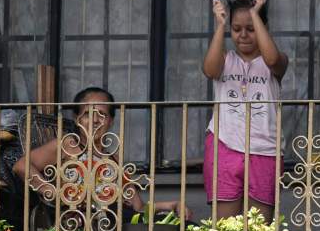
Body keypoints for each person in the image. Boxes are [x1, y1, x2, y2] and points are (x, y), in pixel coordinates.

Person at [12, 86, 189, 220]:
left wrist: (172, 204)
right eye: (88, 113)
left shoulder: (112, 159)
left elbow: (138, 207)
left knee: (185, 228)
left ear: (111, 121)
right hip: (85, 223)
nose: (95, 120)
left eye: (102, 114)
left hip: (117, 220)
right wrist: (51, 191)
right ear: (77, 118)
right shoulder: (67, 145)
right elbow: (21, 166)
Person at [202, 0, 288, 223]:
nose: (243, 35)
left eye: (251, 29)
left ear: (262, 27)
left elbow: (272, 60)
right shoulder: (225, 59)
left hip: (265, 149)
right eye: (236, 29)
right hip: (225, 144)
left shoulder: (275, 61)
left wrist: (255, 13)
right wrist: (220, 25)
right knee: (225, 230)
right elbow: (210, 70)